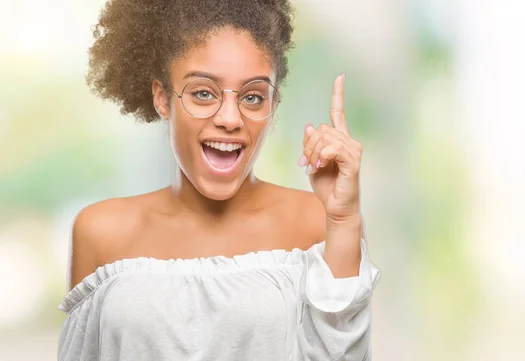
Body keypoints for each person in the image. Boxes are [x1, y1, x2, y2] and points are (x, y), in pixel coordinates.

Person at [57, 0, 380, 360]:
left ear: (272, 107)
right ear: (163, 99)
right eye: (203, 92)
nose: (229, 117)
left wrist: (343, 218)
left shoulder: (319, 221)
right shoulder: (100, 231)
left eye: (253, 97)